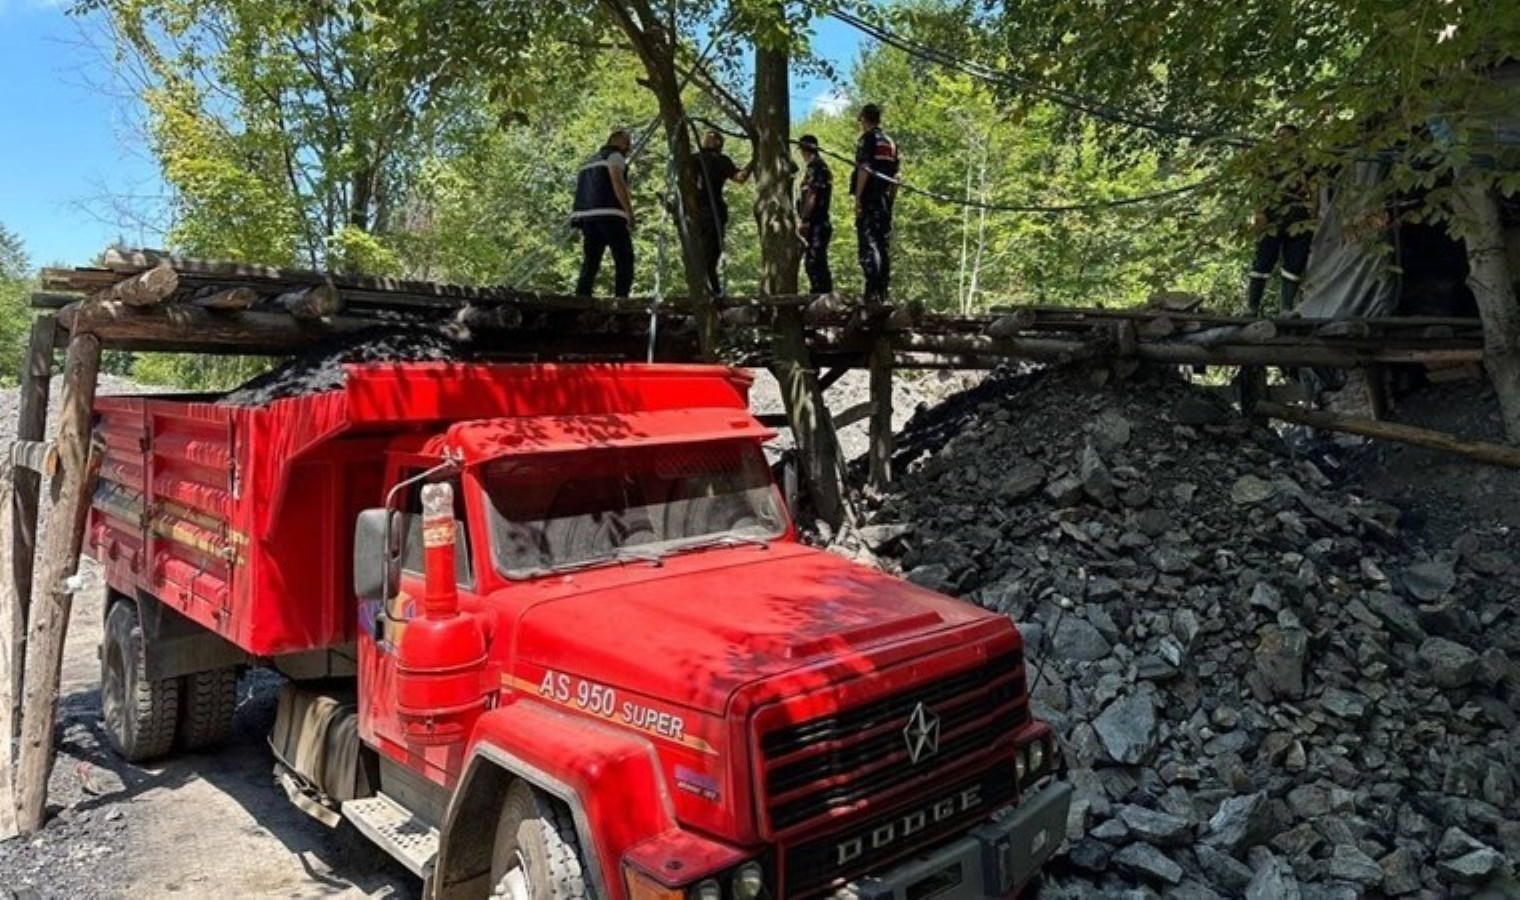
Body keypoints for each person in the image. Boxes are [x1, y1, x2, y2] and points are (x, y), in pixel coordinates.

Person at [1246, 124, 1317, 315]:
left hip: (1299, 217)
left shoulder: (1305, 162)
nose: (1284, 140)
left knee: (1294, 263)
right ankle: (1251, 308)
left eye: (1289, 136)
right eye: (1280, 136)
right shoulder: (1267, 162)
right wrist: (1258, 212)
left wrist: (1314, 215)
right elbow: (1256, 187)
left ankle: (1286, 308)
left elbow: (1314, 188)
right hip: (1272, 216)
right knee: (1263, 261)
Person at [571, 129, 636, 298]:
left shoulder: (589, 161)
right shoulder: (615, 157)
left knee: (591, 260)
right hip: (610, 213)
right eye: (627, 143)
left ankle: (581, 296)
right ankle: (622, 297)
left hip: (587, 217)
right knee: (624, 257)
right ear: (618, 141)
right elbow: (618, 182)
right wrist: (629, 212)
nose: (629, 147)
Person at [693, 130, 752, 297]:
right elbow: (740, 178)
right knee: (708, 256)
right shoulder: (703, 159)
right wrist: (754, 161)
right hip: (710, 213)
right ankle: (712, 292)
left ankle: (711, 292)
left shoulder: (700, 159)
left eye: (710, 137)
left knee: (706, 255)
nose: (706, 138)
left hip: (702, 213)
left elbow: (739, 177)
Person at [852, 103, 899, 304]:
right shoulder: (890, 142)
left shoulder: (868, 139)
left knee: (869, 245)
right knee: (882, 245)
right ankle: (882, 292)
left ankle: (872, 294)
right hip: (884, 200)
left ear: (864, 118)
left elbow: (865, 168)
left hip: (870, 198)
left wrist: (858, 198)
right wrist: (890, 200)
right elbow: (897, 176)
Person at [795, 135, 834, 294]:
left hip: (817, 223)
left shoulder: (816, 167)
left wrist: (805, 219)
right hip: (818, 223)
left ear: (804, 150)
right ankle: (821, 295)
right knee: (815, 261)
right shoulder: (819, 167)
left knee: (815, 261)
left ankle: (821, 297)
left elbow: (812, 194)